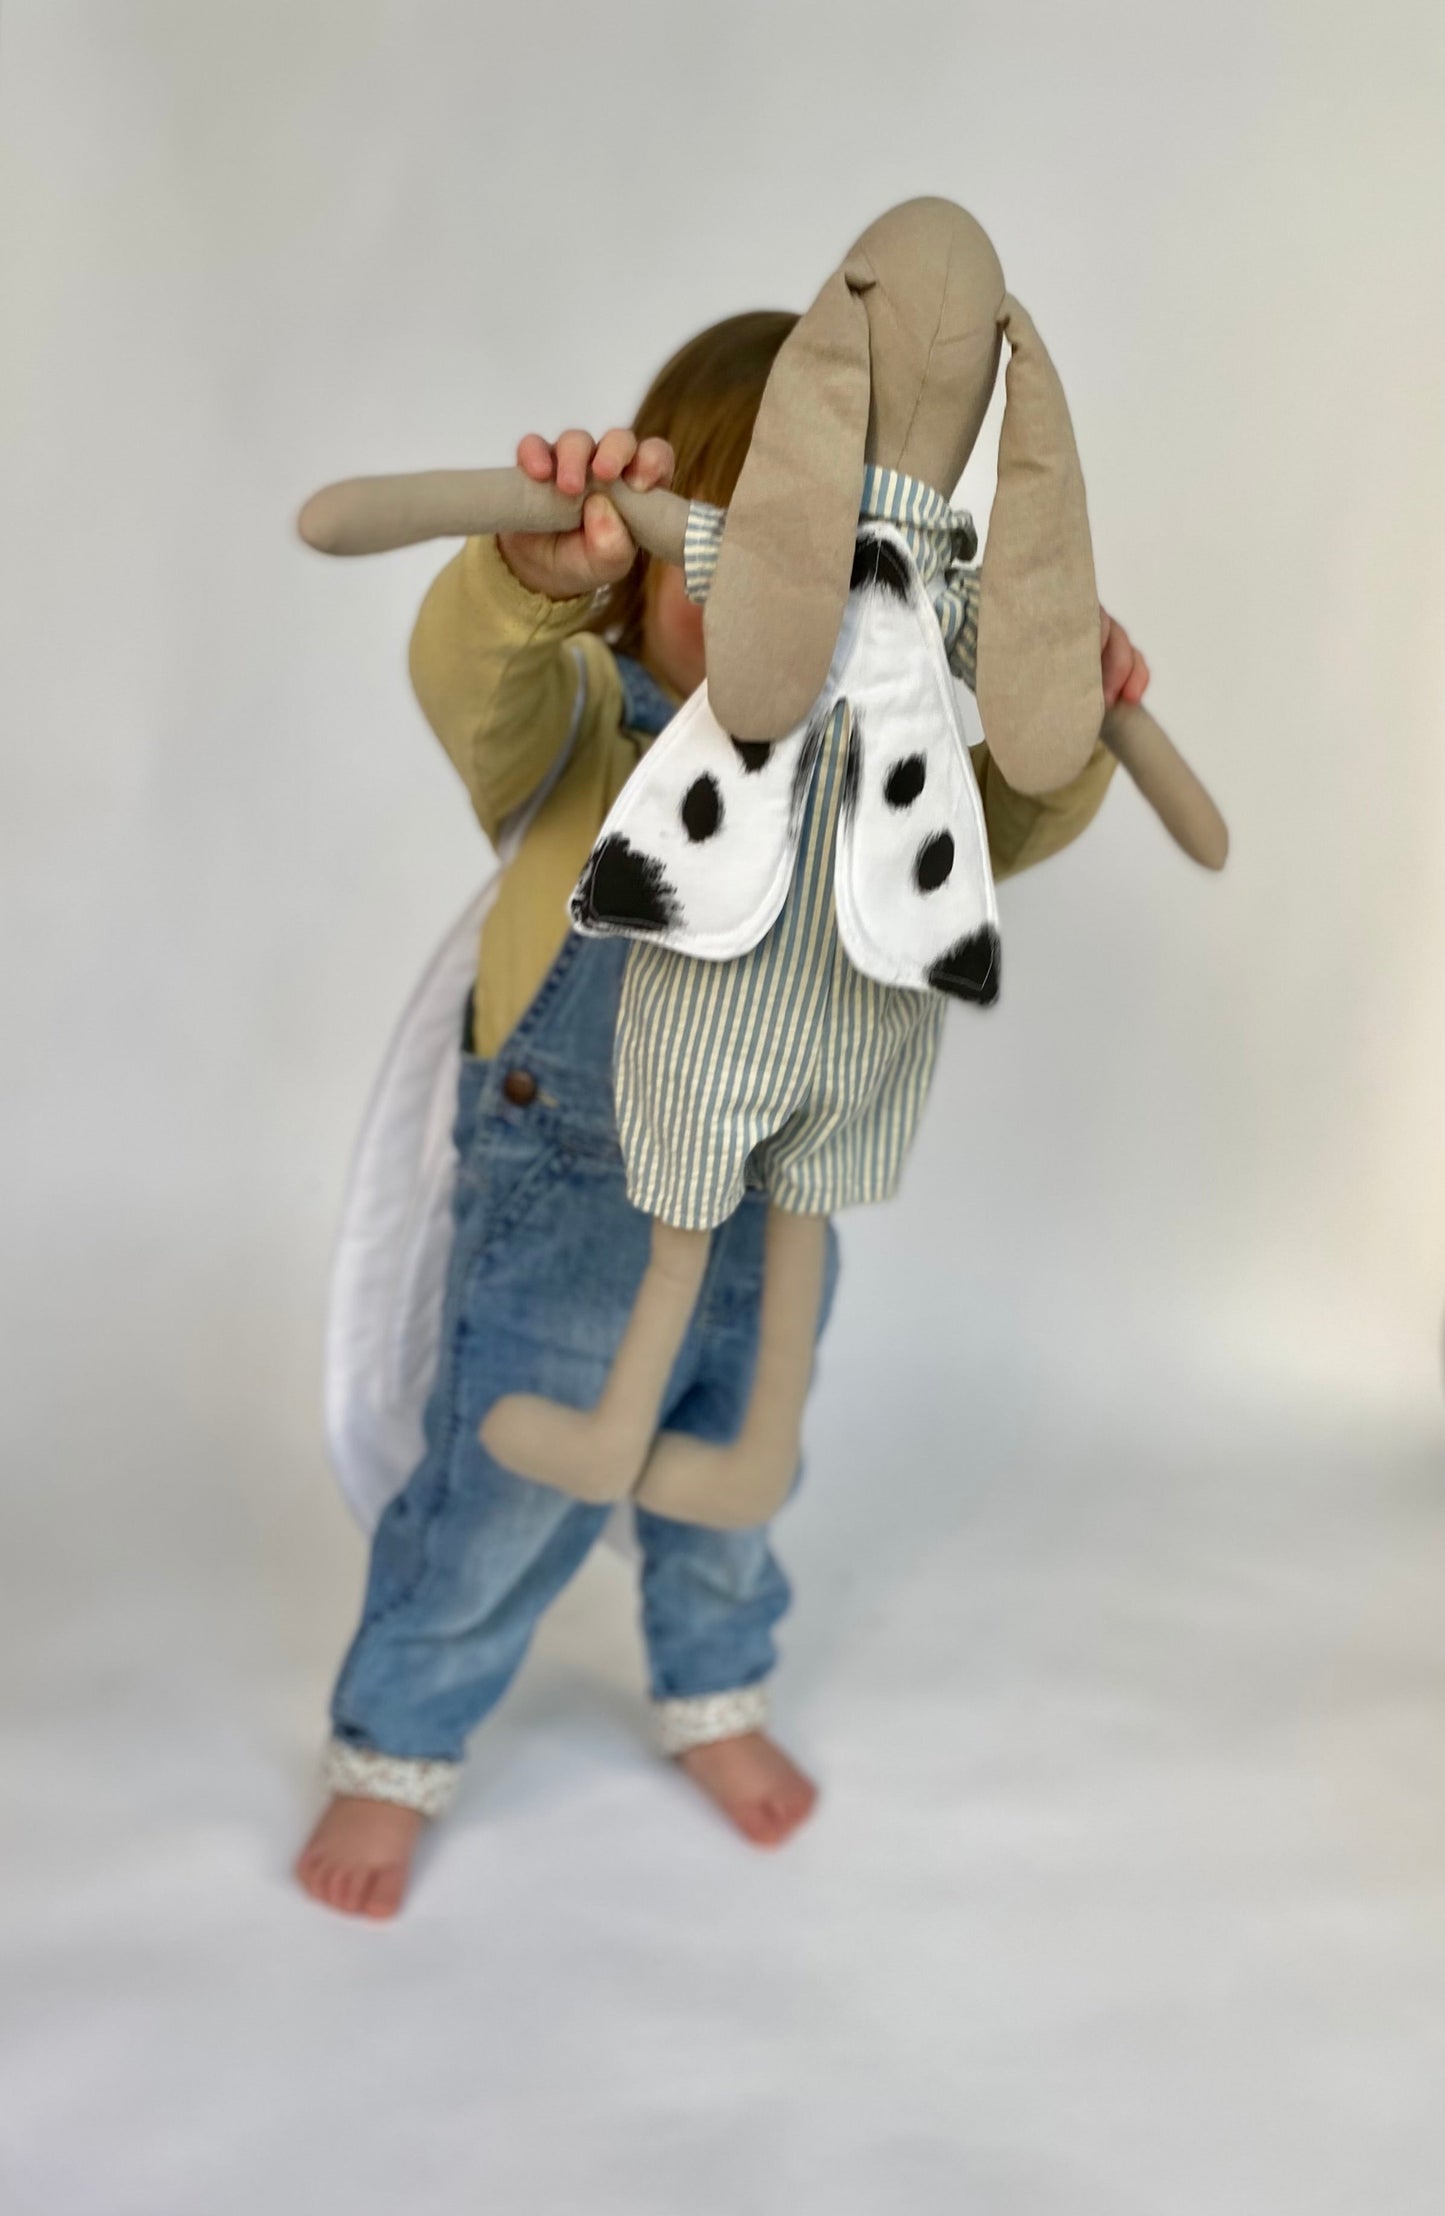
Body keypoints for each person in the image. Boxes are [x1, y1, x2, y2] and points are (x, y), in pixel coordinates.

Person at [296, 311, 1151, 1919]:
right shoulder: (583, 729)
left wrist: (1064, 711)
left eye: (830, 564)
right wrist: (523, 584)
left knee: (734, 1483)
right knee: (496, 1503)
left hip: (773, 1202)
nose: (786, 606)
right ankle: (394, 1743)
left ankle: (712, 1688)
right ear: (634, 557)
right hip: (571, 1205)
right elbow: (463, 676)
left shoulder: (866, 772)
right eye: (734, 554)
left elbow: (994, 829)